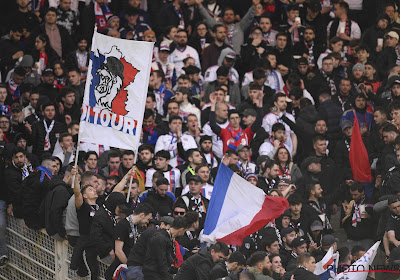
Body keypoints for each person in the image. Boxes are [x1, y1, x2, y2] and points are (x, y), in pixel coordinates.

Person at [104, 203, 154, 280]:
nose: (147, 222)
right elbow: (118, 251)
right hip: (122, 269)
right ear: (142, 215)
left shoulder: (138, 226)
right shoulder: (122, 225)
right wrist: (130, 266)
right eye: (148, 219)